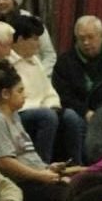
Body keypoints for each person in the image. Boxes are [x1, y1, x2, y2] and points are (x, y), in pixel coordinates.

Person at [0, 63, 70, 201]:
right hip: (17, 186)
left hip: (34, 179)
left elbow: (25, 155)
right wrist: (40, 175)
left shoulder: (14, 116)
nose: (24, 95)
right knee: (67, 196)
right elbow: (3, 162)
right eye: (20, 91)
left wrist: (47, 168)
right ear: (5, 94)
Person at [8, 14, 85, 166]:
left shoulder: (35, 61)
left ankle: (76, 165)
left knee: (71, 116)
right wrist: (46, 109)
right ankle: (42, 167)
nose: (38, 45)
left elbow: (49, 91)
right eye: (35, 39)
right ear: (20, 39)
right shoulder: (7, 63)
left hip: (43, 110)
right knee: (47, 117)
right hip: (18, 113)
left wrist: (54, 105)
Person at [0, 0, 57, 75]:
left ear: (16, 2)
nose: (0, 2)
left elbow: (49, 55)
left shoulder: (32, 22)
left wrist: (37, 75)